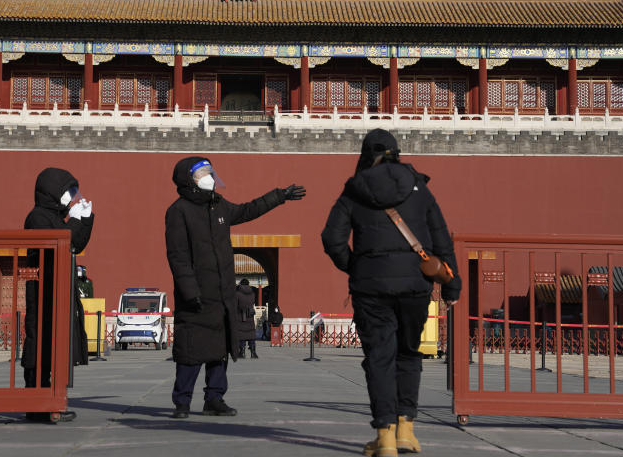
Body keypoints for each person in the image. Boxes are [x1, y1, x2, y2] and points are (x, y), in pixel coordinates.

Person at [321, 128, 461, 456]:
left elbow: (332, 239)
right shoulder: (420, 189)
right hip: (415, 286)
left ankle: (384, 437)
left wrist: (355, 266)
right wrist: (451, 283)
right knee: (409, 353)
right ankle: (406, 431)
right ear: (398, 152)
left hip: (370, 288)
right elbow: (441, 239)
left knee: (380, 358)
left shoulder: (354, 190)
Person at [165, 156, 305, 418]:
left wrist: (279, 196)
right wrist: (189, 291)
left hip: (222, 294)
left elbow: (248, 210)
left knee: (220, 350)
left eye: (210, 172)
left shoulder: (219, 206)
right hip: (195, 296)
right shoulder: (178, 211)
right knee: (190, 351)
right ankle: (182, 402)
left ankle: (214, 398)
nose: (209, 177)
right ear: (189, 180)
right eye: (203, 173)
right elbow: (178, 256)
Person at [23, 167, 94, 423]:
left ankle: (51, 403)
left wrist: (84, 220)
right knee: (40, 346)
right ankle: (37, 405)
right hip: (44, 293)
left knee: (55, 348)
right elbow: (58, 244)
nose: (70, 196)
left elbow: (75, 245)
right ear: (52, 192)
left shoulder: (54, 217)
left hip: (58, 291)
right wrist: (74, 222)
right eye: (67, 191)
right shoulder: (38, 217)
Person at [235, 279, 258, 358]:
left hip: (240, 316)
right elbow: (252, 303)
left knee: (241, 335)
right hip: (250, 316)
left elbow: (235, 305)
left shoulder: (237, 294)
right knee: (251, 335)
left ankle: (242, 352)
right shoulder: (252, 294)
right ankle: (253, 352)